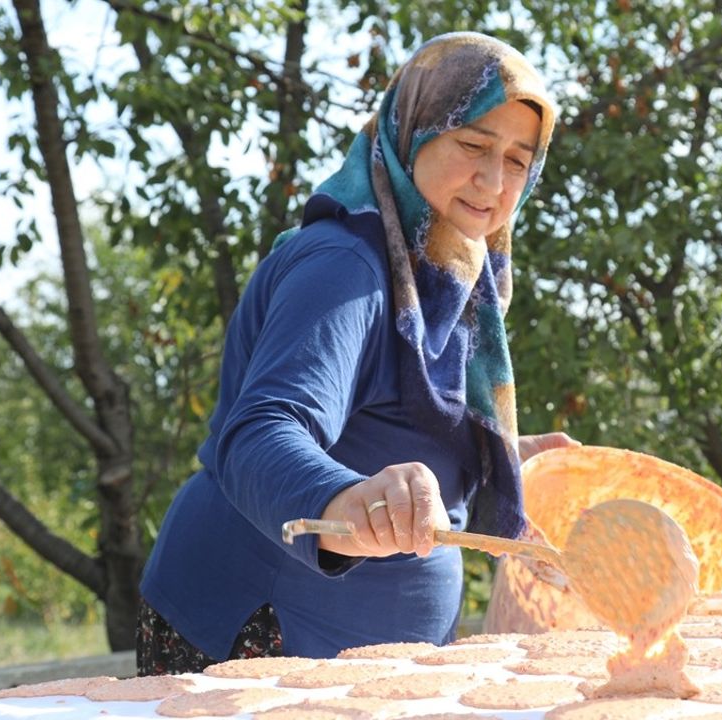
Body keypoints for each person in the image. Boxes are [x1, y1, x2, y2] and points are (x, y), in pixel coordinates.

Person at [137, 32, 578, 676]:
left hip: (365, 655)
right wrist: (345, 499)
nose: (493, 180)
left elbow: (396, 418)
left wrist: (489, 458)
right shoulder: (347, 265)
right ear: (415, 131)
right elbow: (260, 431)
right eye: (474, 145)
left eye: (517, 160)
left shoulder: (447, 269)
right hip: (261, 636)